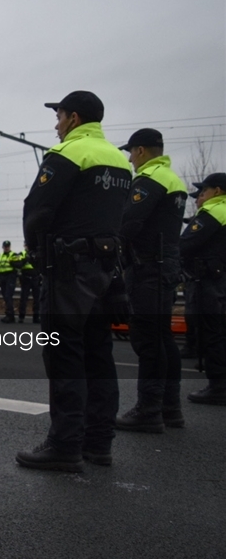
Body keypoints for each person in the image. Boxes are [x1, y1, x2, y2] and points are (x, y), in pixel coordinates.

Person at [16, 90, 131, 472]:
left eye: (60, 116)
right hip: (104, 271)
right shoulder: (120, 162)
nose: (57, 125)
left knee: (65, 355)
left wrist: (37, 255)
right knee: (99, 355)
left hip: (68, 271)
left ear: (75, 118)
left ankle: (64, 445)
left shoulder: (68, 153)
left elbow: (37, 209)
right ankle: (99, 443)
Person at [114, 129, 188, 430]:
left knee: (148, 340)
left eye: (131, 153)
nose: (130, 159)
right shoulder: (172, 179)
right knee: (162, 338)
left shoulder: (150, 178)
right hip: (163, 266)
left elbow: (129, 221)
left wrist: (110, 250)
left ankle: (149, 410)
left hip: (148, 269)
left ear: (141, 150)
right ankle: (169, 408)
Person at [180, 172, 226, 405]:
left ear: (217, 191)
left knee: (212, 332)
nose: (201, 196)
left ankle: (218, 386)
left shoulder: (214, 211)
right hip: (221, 279)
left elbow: (186, 243)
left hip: (210, 280)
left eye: (204, 191)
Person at [13, 239, 40, 323]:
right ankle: (21, 316)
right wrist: (25, 260)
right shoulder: (22, 254)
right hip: (26, 278)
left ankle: (36, 316)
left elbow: (40, 264)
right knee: (24, 298)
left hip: (35, 277)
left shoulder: (36, 253)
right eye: (26, 245)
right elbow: (17, 264)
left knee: (37, 299)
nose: (28, 247)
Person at [0, 240, 19, 323]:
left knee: (8, 296)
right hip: (2, 277)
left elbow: (18, 264)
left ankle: (10, 315)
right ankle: (8, 314)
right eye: (5, 246)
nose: (6, 248)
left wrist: (13, 263)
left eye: (8, 246)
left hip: (10, 276)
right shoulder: (0, 256)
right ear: (3, 247)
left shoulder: (13, 255)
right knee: (5, 296)